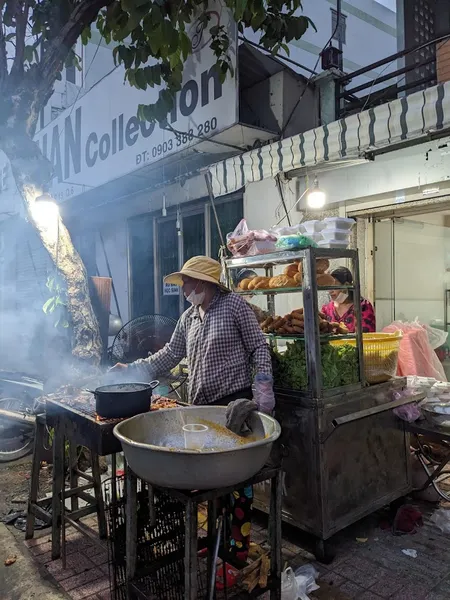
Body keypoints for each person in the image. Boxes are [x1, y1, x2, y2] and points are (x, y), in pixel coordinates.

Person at [111, 256, 275, 585]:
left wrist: (264, 386)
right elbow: (170, 354)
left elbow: (260, 346)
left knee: (237, 485)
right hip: (202, 408)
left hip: (233, 408)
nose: (183, 288)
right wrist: (134, 370)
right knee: (213, 482)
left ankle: (236, 554)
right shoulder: (189, 317)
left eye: (186, 282)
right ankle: (216, 541)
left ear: (202, 283)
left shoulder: (234, 307)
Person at [321, 266, 376, 333]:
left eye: (334, 286)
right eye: (328, 287)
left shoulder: (363, 306)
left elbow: (366, 336)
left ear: (346, 285)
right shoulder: (326, 309)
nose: (330, 291)